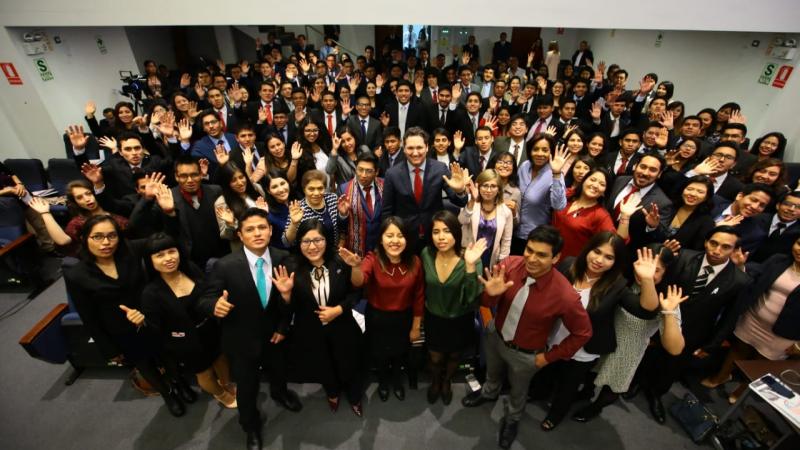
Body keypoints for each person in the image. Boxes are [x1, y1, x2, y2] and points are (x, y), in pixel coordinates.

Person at [463, 225, 592, 449]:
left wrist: (549, 357)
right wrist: (490, 296)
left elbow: (583, 333)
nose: (531, 259)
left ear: (556, 258)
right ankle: (489, 393)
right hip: (495, 335)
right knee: (492, 373)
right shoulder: (510, 265)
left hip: (526, 354)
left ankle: (512, 419)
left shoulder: (565, 295)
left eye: (541, 255)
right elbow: (485, 302)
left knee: (518, 391)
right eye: (529, 250)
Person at [529, 234, 659, 430]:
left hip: (584, 348)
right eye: (597, 252)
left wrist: (647, 280)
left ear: (615, 262)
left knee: (568, 385)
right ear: (588, 249)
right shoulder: (569, 265)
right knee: (546, 371)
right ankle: (539, 393)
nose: (599, 260)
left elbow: (646, 311)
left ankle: (555, 415)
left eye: (609, 257)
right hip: (555, 336)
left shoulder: (617, 285)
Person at [62, 215, 186, 417]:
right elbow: (88, 315)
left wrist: (169, 213)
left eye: (112, 236)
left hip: (152, 318)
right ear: (84, 238)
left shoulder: (132, 250)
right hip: (120, 329)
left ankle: (180, 383)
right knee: (144, 364)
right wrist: (108, 348)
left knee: (167, 355)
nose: (106, 242)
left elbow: (166, 239)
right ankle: (168, 395)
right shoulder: (76, 274)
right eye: (97, 237)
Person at [199, 208, 301, 450]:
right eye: (250, 229)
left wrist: (286, 306)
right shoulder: (224, 266)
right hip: (241, 340)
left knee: (279, 371)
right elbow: (205, 299)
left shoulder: (284, 258)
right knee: (246, 389)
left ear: (271, 230)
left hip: (276, 335)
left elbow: (295, 302)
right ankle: (250, 426)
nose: (257, 233)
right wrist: (214, 306)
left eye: (262, 227)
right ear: (240, 235)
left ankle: (280, 393)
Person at [638, 226, 751, 424]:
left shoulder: (739, 280)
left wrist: (712, 344)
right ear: (706, 242)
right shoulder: (684, 257)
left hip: (695, 331)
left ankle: (656, 394)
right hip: (661, 319)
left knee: (672, 367)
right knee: (648, 354)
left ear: (734, 250)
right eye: (713, 243)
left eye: (725, 247)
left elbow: (730, 317)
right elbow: (662, 286)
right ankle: (637, 383)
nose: (717, 250)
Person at [572, 244, 686, 422]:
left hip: (626, 351)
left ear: (666, 273)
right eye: (642, 265)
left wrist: (669, 312)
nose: (645, 273)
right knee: (591, 373)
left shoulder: (666, 298)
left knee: (612, 385)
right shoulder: (622, 279)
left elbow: (675, 349)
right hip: (601, 337)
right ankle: (586, 393)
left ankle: (595, 408)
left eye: (655, 270)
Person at [140, 233, 237, 409]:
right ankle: (222, 395)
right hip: (186, 342)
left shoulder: (190, 268)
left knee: (221, 359)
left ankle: (227, 384)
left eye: (172, 251)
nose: (168, 258)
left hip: (210, 329)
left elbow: (208, 293)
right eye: (160, 255)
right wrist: (141, 321)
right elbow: (156, 329)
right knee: (205, 374)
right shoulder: (150, 293)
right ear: (150, 261)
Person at [701, 235, 800, 402]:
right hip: (753, 318)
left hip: (783, 334)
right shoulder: (779, 260)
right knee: (737, 350)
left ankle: (741, 392)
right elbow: (754, 278)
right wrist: (741, 266)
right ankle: (721, 377)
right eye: (799, 243)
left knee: (760, 366)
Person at [339, 216, 424, 401]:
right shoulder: (373, 258)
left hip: (404, 317)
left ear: (407, 239)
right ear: (381, 239)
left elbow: (419, 296)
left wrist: (416, 326)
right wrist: (355, 267)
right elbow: (359, 281)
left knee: (400, 353)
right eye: (389, 235)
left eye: (400, 235)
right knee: (380, 354)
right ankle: (383, 382)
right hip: (378, 318)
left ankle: (397, 381)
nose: (395, 240)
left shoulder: (415, 261)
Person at [288, 219, 364, 416]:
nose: (312, 246)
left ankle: (355, 396)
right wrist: (286, 295)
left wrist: (338, 309)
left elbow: (356, 293)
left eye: (318, 240)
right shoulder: (291, 266)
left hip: (343, 325)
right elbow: (289, 307)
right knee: (323, 365)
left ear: (327, 240)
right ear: (299, 243)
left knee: (348, 363)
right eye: (306, 241)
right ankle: (332, 392)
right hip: (310, 330)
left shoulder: (340, 261)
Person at [422, 211, 486, 405]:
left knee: (455, 355)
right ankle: (436, 381)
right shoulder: (427, 254)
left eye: (447, 231)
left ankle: (447, 381)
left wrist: (470, 267)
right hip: (434, 317)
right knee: (435, 357)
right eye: (436, 232)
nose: (441, 237)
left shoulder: (472, 258)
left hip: (460, 319)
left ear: (456, 233)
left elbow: (471, 297)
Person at [381, 127, 469, 253]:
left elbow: (461, 202)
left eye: (419, 147)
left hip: (434, 236)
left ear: (427, 147)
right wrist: (388, 238)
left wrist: (460, 190)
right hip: (404, 238)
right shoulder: (392, 174)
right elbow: (386, 211)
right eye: (410, 148)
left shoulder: (440, 169)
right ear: (404, 149)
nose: (415, 153)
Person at [29, 180, 131, 257]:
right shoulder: (78, 222)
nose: (87, 199)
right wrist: (45, 213)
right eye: (79, 197)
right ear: (76, 202)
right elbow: (63, 241)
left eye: (88, 194)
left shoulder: (114, 207)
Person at [552, 168, 636, 258]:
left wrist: (625, 217)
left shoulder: (600, 215)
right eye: (592, 180)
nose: (595, 185)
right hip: (547, 254)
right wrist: (556, 173)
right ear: (584, 181)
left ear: (604, 192)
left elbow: (618, 242)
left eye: (602, 184)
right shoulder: (568, 195)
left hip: (568, 262)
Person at [512, 135, 569, 254]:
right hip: (512, 229)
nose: (540, 154)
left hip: (534, 237)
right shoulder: (524, 166)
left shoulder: (554, 173)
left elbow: (559, 206)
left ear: (551, 152)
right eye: (535, 149)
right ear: (530, 150)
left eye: (545, 150)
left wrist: (557, 174)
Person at [644, 175, 716, 251]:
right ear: (682, 190)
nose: (693, 194)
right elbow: (652, 236)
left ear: (707, 197)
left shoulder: (707, 222)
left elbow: (696, 251)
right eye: (690, 189)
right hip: (648, 249)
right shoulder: (669, 206)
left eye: (700, 192)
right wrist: (652, 226)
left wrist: (670, 252)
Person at [460, 170, 514, 268]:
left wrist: (502, 263)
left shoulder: (506, 211)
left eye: (493, 186)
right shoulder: (470, 202)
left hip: (491, 258)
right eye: (485, 185)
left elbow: (506, 240)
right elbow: (462, 220)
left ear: (499, 189)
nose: (488, 190)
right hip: (468, 255)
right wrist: (472, 200)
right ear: (478, 186)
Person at [283, 170, 348, 247]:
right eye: (311, 189)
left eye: (320, 188)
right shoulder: (298, 208)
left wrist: (342, 214)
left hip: (334, 250)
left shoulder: (332, 199)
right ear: (304, 190)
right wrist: (294, 224)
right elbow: (286, 242)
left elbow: (341, 227)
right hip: (311, 251)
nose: (316, 193)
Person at [213, 161, 267, 251]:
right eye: (233, 180)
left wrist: (265, 214)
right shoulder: (222, 203)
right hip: (244, 249)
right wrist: (231, 224)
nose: (240, 182)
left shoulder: (256, 188)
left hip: (266, 243)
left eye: (241, 177)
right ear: (226, 183)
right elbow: (225, 236)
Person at [338, 153, 383, 256]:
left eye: (369, 171)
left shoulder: (385, 185)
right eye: (360, 169)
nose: (363, 175)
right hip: (356, 250)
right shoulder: (344, 189)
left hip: (381, 248)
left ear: (376, 172)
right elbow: (340, 227)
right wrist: (343, 215)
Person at [487, 151, 521, 225]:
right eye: (500, 162)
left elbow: (516, 224)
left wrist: (514, 213)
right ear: (493, 165)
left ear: (513, 168)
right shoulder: (484, 185)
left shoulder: (516, 192)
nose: (505, 165)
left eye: (509, 163)